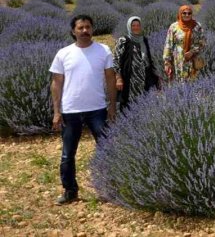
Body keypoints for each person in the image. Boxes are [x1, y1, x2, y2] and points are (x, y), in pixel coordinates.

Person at [49, 15, 117, 205]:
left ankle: (109, 188)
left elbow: (111, 79)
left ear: (92, 29)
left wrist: (112, 106)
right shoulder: (63, 53)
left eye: (88, 27)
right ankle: (70, 190)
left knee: (106, 149)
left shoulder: (103, 50)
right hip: (71, 111)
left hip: (97, 109)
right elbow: (56, 83)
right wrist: (57, 111)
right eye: (81, 28)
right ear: (73, 31)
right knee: (67, 154)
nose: (85, 31)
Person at [112, 16, 160, 111]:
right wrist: (118, 78)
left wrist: (156, 75)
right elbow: (116, 60)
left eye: (138, 25)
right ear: (129, 27)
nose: (136, 27)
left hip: (145, 76)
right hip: (129, 78)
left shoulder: (144, 40)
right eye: (133, 25)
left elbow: (148, 58)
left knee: (144, 101)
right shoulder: (123, 40)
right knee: (128, 103)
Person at [163, 5, 206, 82]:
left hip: (194, 59)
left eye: (189, 13)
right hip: (178, 60)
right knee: (180, 81)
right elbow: (168, 44)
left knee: (194, 81)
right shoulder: (174, 27)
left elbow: (203, 43)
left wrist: (192, 52)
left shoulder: (197, 26)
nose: (187, 15)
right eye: (184, 13)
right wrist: (167, 62)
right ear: (180, 14)